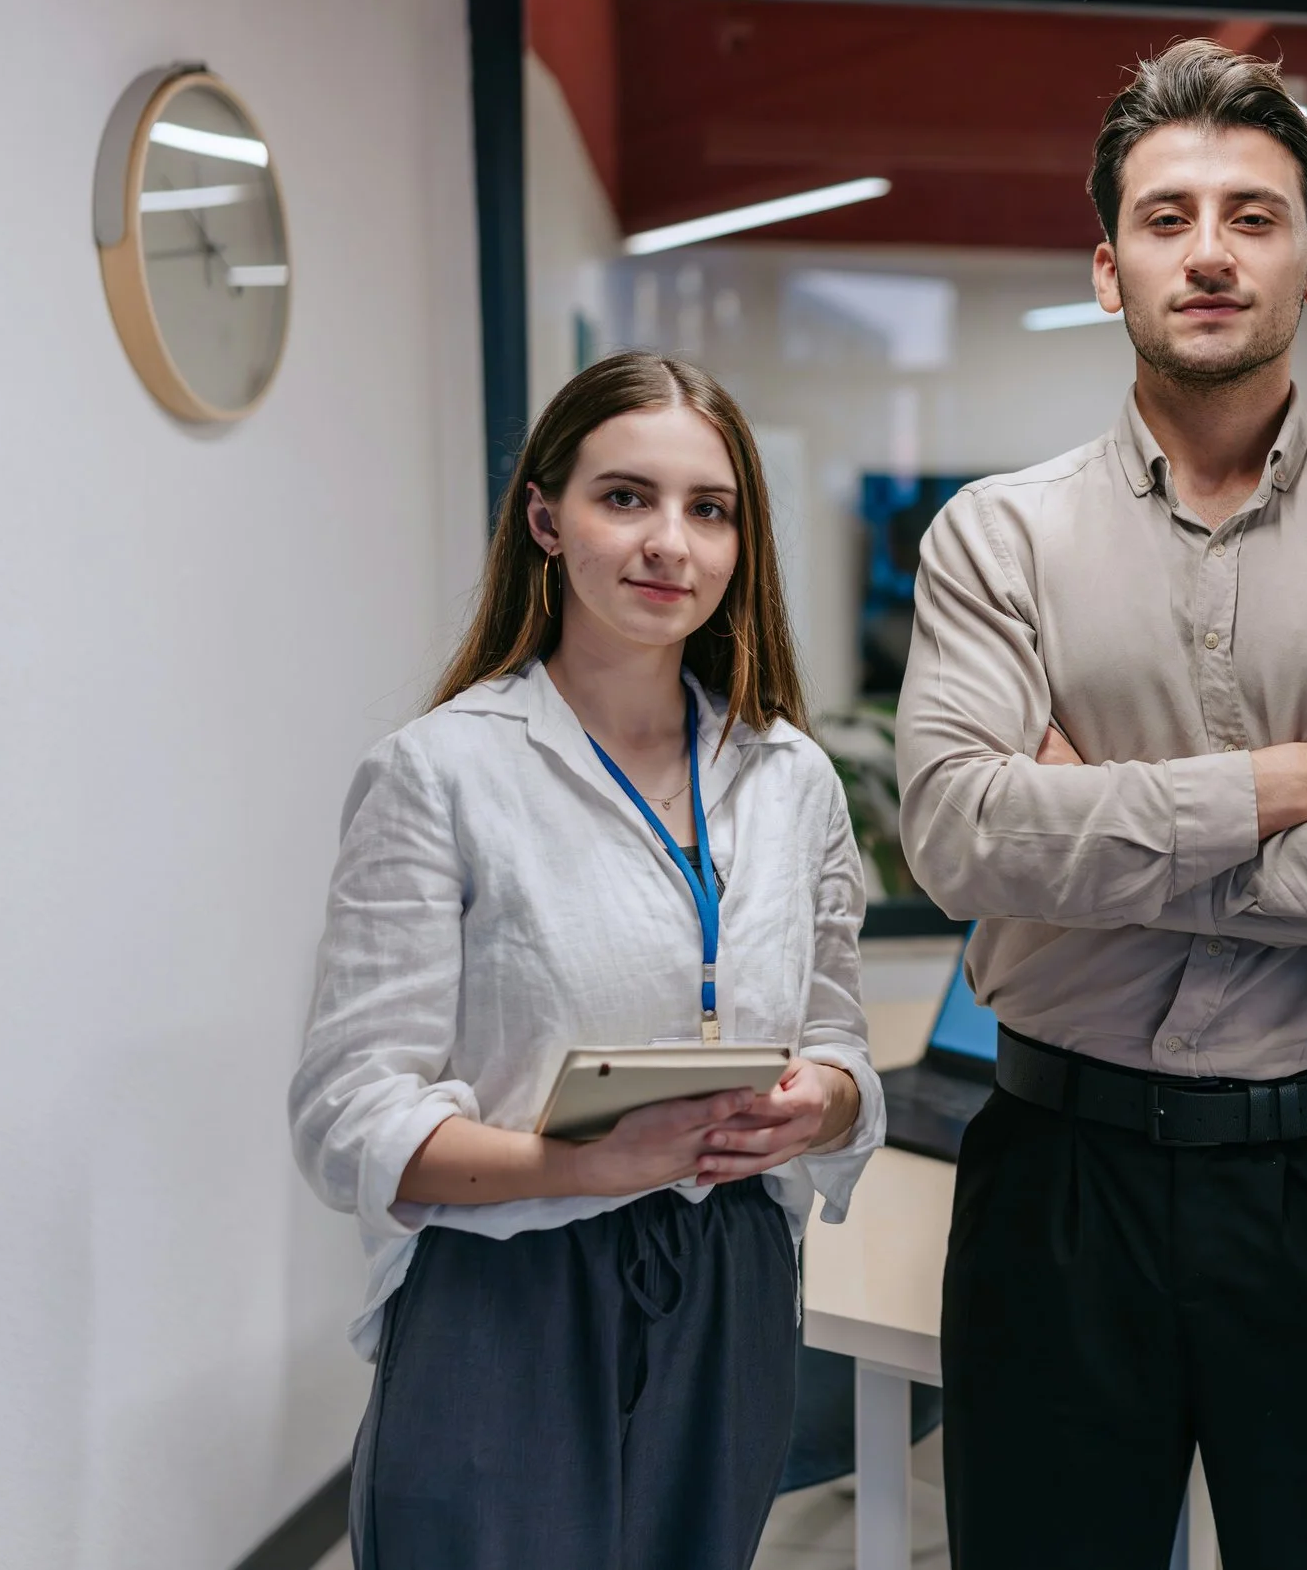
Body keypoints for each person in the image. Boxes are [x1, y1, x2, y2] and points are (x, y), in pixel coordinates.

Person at [893, 38, 1307, 1570]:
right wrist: (1278, 788)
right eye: (1167, 218)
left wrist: (1089, 833)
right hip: (1057, 1175)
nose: (1211, 251)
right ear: (1108, 271)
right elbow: (958, 837)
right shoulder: (997, 540)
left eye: (1254, 213)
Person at [288, 351, 883, 1570]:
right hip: (513, 1281)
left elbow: (837, 1043)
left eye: (707, 509)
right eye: (626, 497)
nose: (670, 541)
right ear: (546, 518)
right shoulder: (440, 773)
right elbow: (348, 1112)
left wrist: (818, 1104)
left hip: (730, 1276)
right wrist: (578, 1156)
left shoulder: (792, 780)